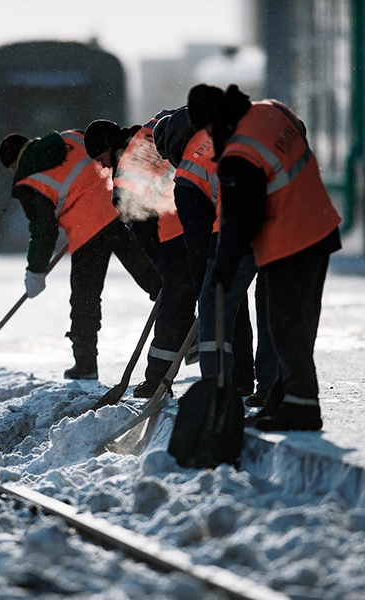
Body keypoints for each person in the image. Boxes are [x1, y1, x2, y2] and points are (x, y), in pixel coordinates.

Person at [186, 83, 342, 431]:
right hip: (320, 227)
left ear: (213, 120)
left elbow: (240, 217)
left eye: (207, 128)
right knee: (298, 324)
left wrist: (225, 265)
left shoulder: (239, 153)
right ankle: (283, 400)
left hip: (290, 242)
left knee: (286, 327)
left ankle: (302, 408)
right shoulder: (272, 110)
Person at [0, 129, 162, 380]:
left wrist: (35, 271)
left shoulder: (28, 180)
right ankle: (184, 332)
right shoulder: (72, 137)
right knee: (152, 277)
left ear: (13, 164)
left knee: (85, 300)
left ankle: (86, 364)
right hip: (122, 210)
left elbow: (43, 230)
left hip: (88, 233)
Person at [153, 108, 276, 402]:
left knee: (214, 311)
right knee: (272, 309)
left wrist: (202, 292)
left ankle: (216, 392)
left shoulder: (189, 171)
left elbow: (198, 247)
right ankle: (272, 388)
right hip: (288, 220)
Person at [82, 115, 197, 398]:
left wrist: (165, 272)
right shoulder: (152, 129)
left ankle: (157, 380)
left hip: (176, 236)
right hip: (208, 219)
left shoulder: (124, 184)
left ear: (109, 145)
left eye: (101, 158)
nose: (103, 166)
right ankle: (238, 377)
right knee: (225, 300)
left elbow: (148, 241)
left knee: (174, 305)